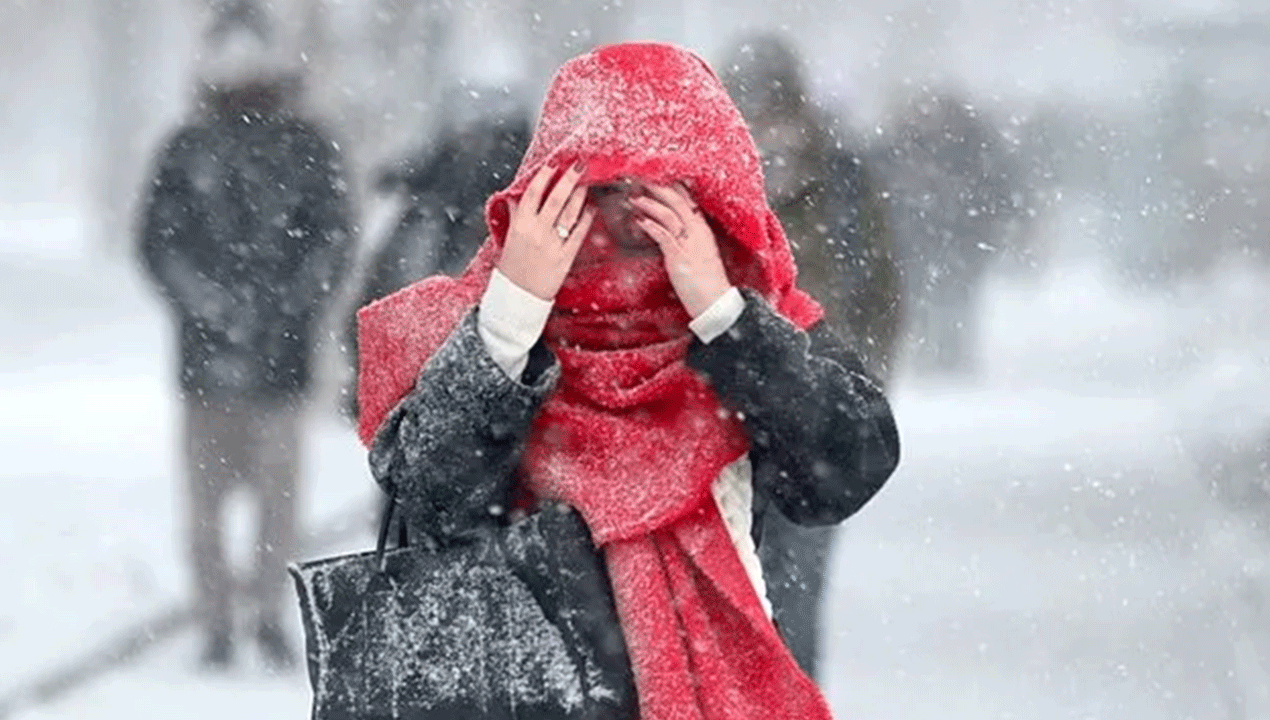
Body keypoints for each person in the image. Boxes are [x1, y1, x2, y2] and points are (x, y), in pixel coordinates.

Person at [355, 42, 899, 719]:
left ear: (708, 194)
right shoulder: (492, 322)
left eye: (658, 193)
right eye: (600, 190)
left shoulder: (751, 324)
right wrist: (510, 316)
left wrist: (725, 317)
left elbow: (846, 468)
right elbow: (429, 500)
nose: (622, 222)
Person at [136, 3, 355, 670]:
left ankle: (263, 616)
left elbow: (330, 241)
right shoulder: (187, 147)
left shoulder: (307, 146)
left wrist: (285, 307)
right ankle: (216, 622)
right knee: (208, 511)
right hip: (207, 367)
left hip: (279, 367)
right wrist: (210, 306)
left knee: (275, 508)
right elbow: (157, 243)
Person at [717, 31, 903, 680]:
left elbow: (880, 289)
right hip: (719, 425)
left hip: (812, 423)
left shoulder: (842, 182)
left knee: (793, 598)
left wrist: (857, 385)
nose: (763, 121)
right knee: (724, 609)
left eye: (771, 104)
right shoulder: (704, 182)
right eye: (749, 105)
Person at [340, 89, 532, 420]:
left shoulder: (425, 209)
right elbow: (377, 302)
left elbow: (375, 303)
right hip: (445, 399)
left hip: (462, 400)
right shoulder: (426, 213)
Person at [878, 85, 1017, 377]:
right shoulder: (910, 145)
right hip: (926, 242)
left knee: (956, 299)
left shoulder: (970, 148)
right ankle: (934, 353)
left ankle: (952, 353)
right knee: (927, 299)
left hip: (958, 241)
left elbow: (992, 192)